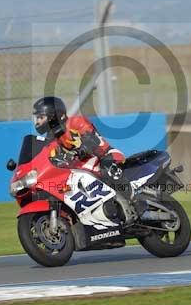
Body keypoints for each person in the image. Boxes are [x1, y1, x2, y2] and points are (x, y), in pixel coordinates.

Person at [32, 96, 136, 224]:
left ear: (53, 116)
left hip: (103, 156)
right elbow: (49, 157)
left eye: (40, 117)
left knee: (106, 168)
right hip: (83, 166)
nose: (37, 122)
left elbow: (92, 139)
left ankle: (133, 202)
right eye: (37, 118)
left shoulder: (75, 122)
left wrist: (83, 148)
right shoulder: (51, 139)